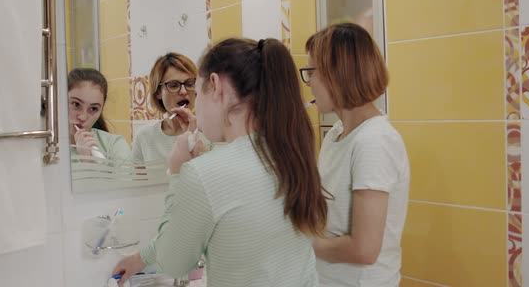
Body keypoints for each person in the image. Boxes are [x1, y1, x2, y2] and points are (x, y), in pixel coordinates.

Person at [112, 38, 329, 287]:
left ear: (214, 86)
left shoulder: (202, 173)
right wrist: (142, 256)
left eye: (196, 88)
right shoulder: (293, 157)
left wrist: (177, 174)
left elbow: (174, 263)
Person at [302, 23, 410, 287]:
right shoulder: (336, 134)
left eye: (311, 72)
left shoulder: (374, 142)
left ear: (337, 74)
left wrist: (301, 243)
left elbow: (364, 249)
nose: (309, 84)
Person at [132, 53, 198, 167]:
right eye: (173, 85)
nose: (183, 91)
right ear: (158, 92)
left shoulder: (210, 134)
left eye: (189, 83)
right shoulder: (144, 137)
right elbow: (138, 183)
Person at [68, 68, 131, 162]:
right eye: (76, 104)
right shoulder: (45, 146)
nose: (83, 117)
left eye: (93, 109)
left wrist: (87, 160)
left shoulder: (114, 145)